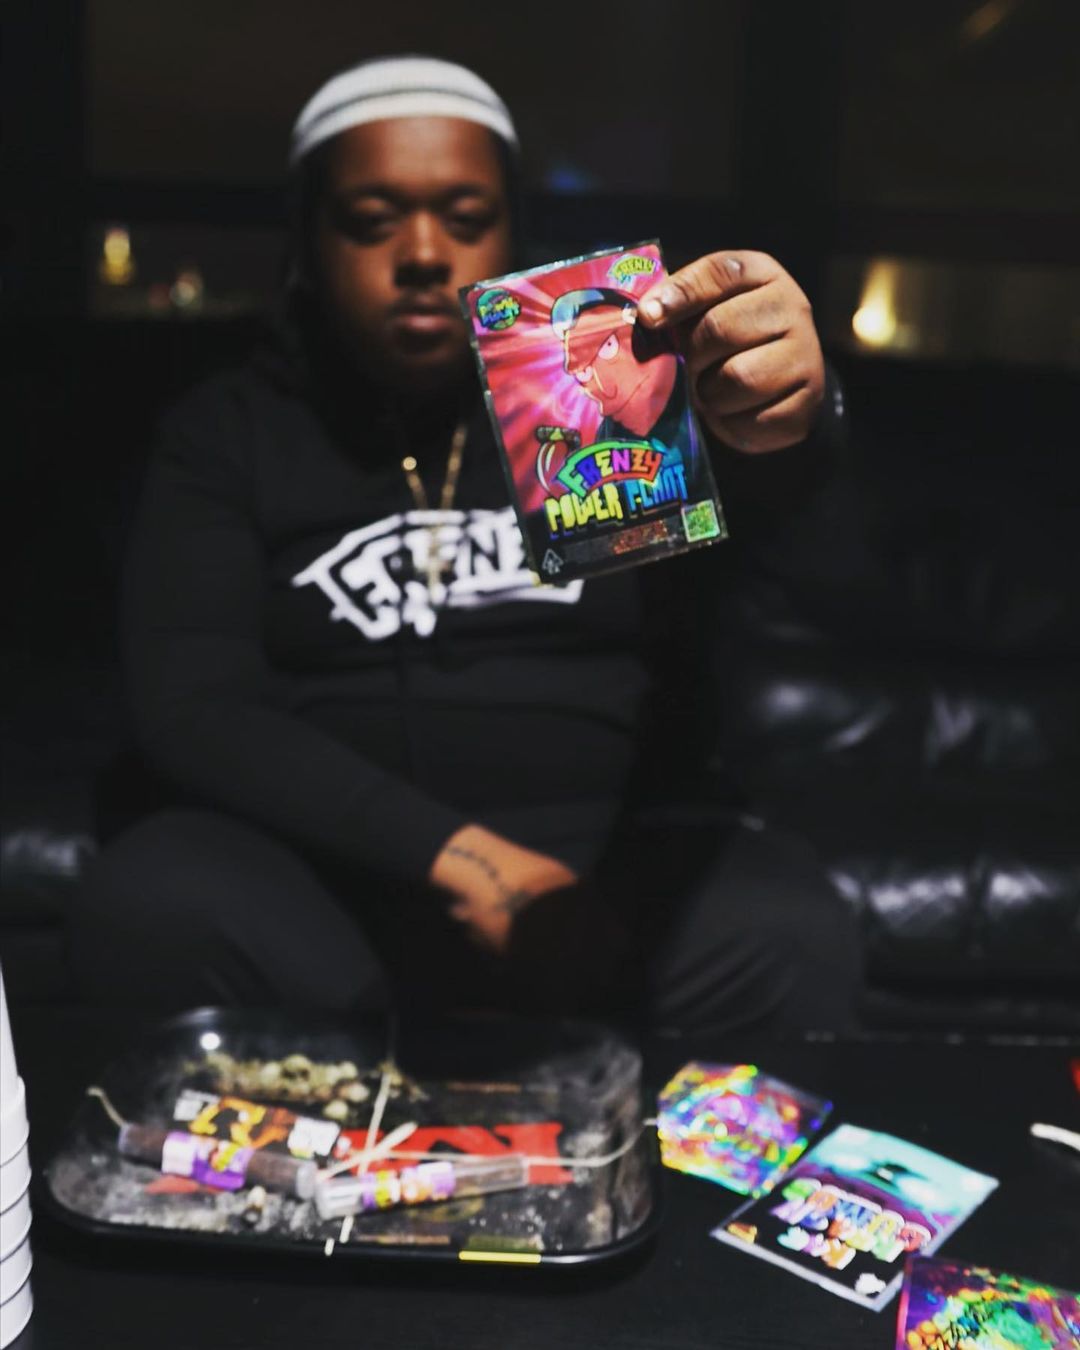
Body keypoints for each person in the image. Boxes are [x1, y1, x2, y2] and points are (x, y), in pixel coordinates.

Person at [74, 56, 859, 1033]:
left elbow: (780, 514)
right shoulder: (227, 431)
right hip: (330, 890)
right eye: (370, 221)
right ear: (307, 242)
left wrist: (795, 411)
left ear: (512, 233)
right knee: (153, 899)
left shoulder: (605, 395)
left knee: (788, 927)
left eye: (465, 216)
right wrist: (467, 863)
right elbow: (193, 707)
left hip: (606, 882)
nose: (421, 253)